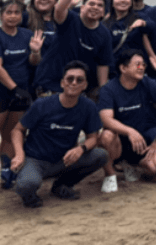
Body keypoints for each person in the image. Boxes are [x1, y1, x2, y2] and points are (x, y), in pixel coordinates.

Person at [10, 62, 109, 208]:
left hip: (64, 159)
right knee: (26, 185)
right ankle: (30, 197)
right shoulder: (42, 104)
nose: (74, 83)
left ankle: (61, 185)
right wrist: (19, 154)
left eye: (79, 80)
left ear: (85, 85)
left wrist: (80, 148)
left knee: (100, 155)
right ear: (62, 83)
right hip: (36, 159)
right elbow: (17, 130)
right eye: (70, 79)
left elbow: (93, 138)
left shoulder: (88, 106)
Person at [0, 0, 42, 197]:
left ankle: (7, 176)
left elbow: (33, 62)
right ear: (1, 15)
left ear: (22, 16)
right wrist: (14, 88)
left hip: (21, 92)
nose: (13, 16)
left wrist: (36, 50)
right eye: (8, 12)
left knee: (12, 137)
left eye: (16, 13)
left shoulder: (27, 35)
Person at [98, 49, 156, 189]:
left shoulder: (146, 82)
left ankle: (132, 166)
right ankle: (110, 174)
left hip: (143, 140)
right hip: (121, 141)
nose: (141, 68)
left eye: (143, 64)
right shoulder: (108, 89)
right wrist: (129, 131)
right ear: (123, 68)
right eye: (137, 64)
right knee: (106, 136)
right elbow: (106, 119)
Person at [52, 0, 113, 94]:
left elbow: (103, 63)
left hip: (83, 85)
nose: (95, 7)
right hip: (56, 82)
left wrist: (103, 89)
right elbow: (59, 9)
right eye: (91, 4)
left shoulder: (104, 33)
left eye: (100, 6)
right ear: (82, 8)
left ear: (103, 13)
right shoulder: (70, 19)